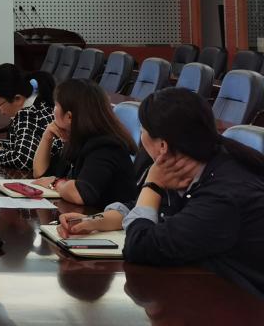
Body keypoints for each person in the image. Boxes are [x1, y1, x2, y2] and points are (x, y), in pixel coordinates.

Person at [58, 88, 264, 298]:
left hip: (239, 301)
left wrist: (153, 185)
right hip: (201, 287)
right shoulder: (194, 164)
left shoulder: (224, 192)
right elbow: (152, 208)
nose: (141, 136)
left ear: (163, 145)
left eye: (143, 130)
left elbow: (140, 247)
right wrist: (97, 221)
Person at [31, 79, 138, 207]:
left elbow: (81, 194)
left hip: (103, 216)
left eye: (56, 105)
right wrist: (46, 137)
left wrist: (55, 183)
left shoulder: (105, 146)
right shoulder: (78, 138)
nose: (53, 110)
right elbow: (40, 174)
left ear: (69, 117)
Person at [0, 63, 56, 172]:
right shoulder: (38, 103)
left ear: (17, 99)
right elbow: (23, 146)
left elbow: (24, 160)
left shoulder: (28, 114)